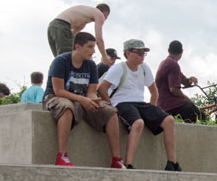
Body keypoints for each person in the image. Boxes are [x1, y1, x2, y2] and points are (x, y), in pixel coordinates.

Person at [43, 31, 123, 168]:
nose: (93, 51)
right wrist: (83, 99)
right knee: (67, 107)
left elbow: (91, 92)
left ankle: (117, 159)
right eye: (90, 47)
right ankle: (62, 156)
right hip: (56, 98)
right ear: (78, 47)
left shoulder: (91, 65)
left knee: (111, 112)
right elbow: (58, 91)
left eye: (94, 47)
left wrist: (93, 100)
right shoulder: (61, 61)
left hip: (81, 100)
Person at [98, 39, 181, 171]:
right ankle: (129, 163)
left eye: (144, 53)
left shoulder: (144, 68)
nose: (142, 56)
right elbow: (102, 88)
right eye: (139, 53)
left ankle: (172, 162)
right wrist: (111, 106)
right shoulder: (119, 68)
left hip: (140, 103)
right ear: (128, 53)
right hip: (122, 102)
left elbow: (154, 91)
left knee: (169, 120)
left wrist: (152, 111)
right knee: (138, 123)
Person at [47, 3, 114, 66]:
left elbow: (71, 39)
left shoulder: (82, 21)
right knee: (67, 61)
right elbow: (99, 39)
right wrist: (104, 57)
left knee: (59, 60)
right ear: (106, 14)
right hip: (62, 26)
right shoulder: (99, 14)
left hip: (52, 27)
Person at [155, 40, 204, 123]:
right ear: (182, 51)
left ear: (168, 50)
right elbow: (173, 89)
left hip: (160, 103)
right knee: (200, 116)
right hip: (170, 104)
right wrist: (186, 98)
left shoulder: (165, 62)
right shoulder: (174, 65)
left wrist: (190, 80)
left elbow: (183, 80)